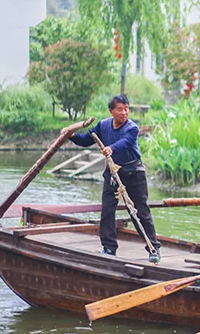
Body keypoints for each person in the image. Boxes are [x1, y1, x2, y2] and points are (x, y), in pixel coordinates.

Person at [67, 95, 161, 261]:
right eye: (120, 109)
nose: (124, 113)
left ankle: (153, 248)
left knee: (139, 212)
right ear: (111, 111)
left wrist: (111, 148)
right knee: (107, 211)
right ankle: (109, 248)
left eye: (126, 109)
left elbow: (125, 142)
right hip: (112, 173)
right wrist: (71, 135)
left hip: (133, 173)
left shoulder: (132, 128)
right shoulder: (103, 125)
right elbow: (87, 140)